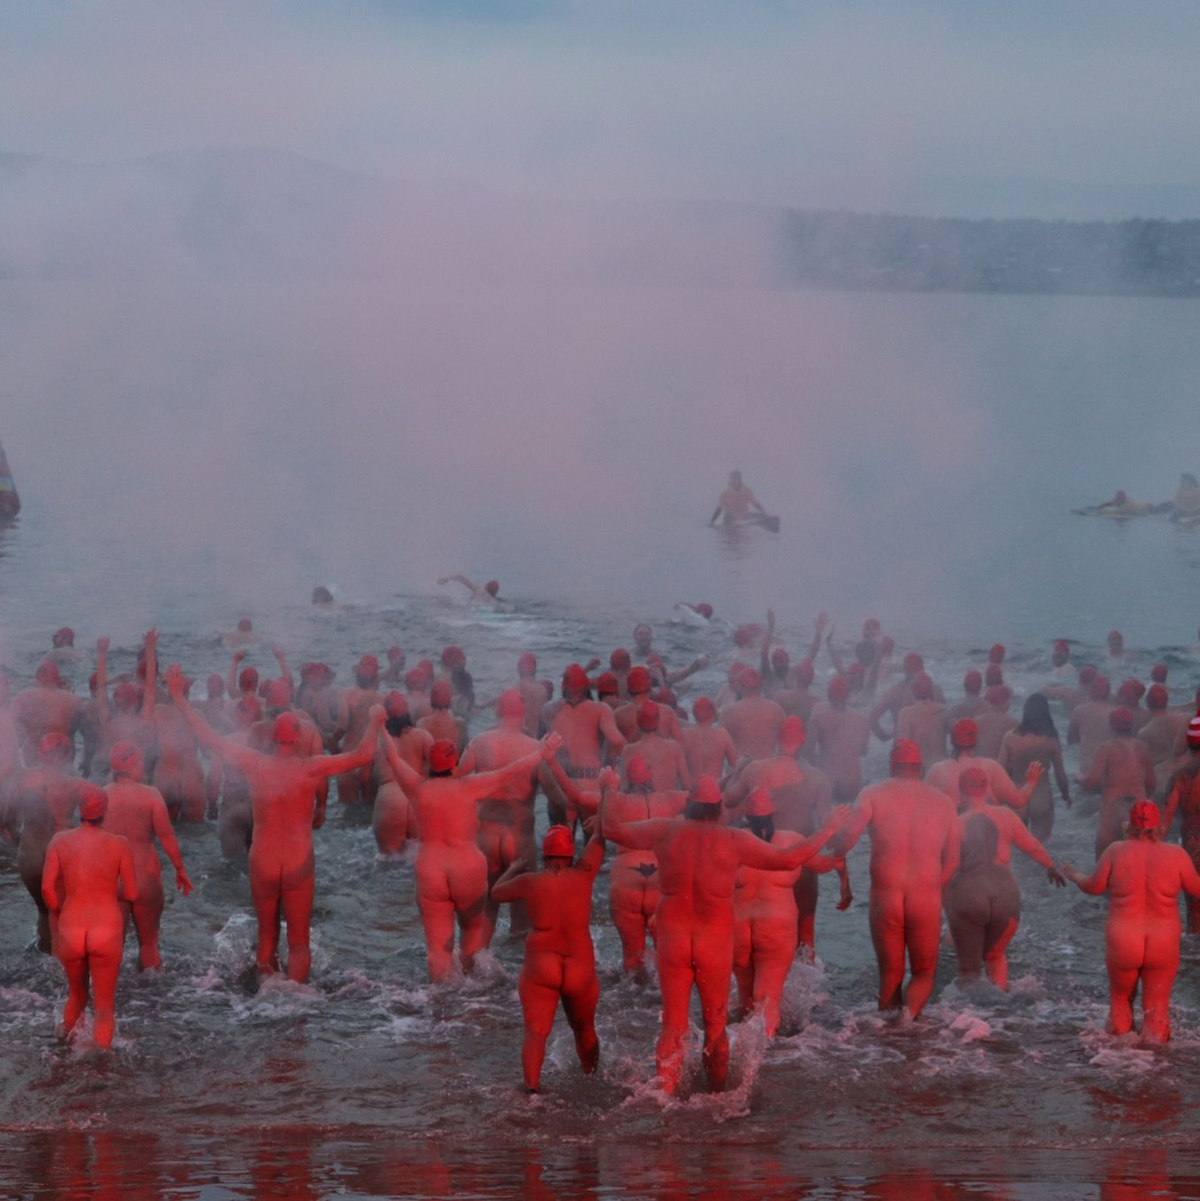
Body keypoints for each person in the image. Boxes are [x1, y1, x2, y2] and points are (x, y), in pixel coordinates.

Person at [602, 774, 846, 1094]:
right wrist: (828, 828)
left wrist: (608, 790)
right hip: (712, 941)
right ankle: (716, 1097)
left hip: (673, 938)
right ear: (719, 809)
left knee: (673, 1025)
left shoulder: (665, 829)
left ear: (688, 806)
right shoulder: (732, 839)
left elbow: (612, 830)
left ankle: (663, 1098)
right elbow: (789, 858)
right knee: (715, 1025)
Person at [167, 664, 385, 984]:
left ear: (273, 737)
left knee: (266, 935)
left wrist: (179, 698)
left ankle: (267, 998)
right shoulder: (312, 768)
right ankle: (295, 999)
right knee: (298, 941)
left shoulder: (255, 764)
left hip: (264, 858)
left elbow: (209, 739)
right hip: (297, 859)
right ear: (297, 737)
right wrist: (376, 719)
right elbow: (363, 755)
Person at [377, 731, 561, 981]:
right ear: (455, 764)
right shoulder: (469, 787)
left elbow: (392, 757)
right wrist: (542, 752)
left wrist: (380, 723)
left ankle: (441, 1003)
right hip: (466, 868)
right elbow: (509, 772)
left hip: (431, 869)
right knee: (472, 936)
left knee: (437, 950)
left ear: (431, 764)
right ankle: (473, 1000)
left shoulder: (417, 788)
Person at [826, 740, 960, 1018]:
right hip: (925, 896)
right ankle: (907, 1024)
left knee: (890, 973)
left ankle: (888, 1041)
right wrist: (933, 887)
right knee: (923, 973)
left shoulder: (873, 793)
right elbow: (953, 860)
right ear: (920, 767)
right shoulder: (944, 803)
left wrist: (833, 852)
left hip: (887, 894)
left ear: (891, 765)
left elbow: (847, 840)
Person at [1062, 800, 1200, 1042]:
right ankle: (1152, 1071)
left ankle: (1120, 1069)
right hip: (1162, 940)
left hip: (1124, 937)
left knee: (1120, 1001)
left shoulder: (1116, 851)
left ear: (1130, 825)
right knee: (1157, 1008)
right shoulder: (1176, 855)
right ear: (1159, 826)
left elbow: (1094, 887)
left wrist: (1074, 875)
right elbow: (1197, 889)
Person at [491, 821, 604, 1093]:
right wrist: (602, 807)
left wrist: (513, 869)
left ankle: (531, 1093)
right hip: (579, 963)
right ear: (570, 855)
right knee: (585, 1029)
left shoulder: (530, 882)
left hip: (542, 963)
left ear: (545, 854)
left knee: (536, 1032)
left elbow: (496, 893)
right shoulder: (584, 874)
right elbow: (601, 836)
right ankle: (592, 1082)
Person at [733, 788, 843, 1036]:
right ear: (774, 813)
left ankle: (739, 1050)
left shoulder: (732, 840)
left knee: (746, 996)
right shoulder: (791, 840)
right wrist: (839, 862)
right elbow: (821, 864)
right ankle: (767, 1059)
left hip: (737, 926)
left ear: (745, 815)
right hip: (775, 926)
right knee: (768, 998)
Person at [943, 765, 1064, 989]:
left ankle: (968, 1014)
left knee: (962, 954)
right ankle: (998, 1007)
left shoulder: (956, 823)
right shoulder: (1005, 815)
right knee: (996, 955)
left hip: (971, 894)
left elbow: (947, 867)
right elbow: (1033, 847)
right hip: (1004, 893)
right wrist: (1050, 866)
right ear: (987, 787)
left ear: (960, 789)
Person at [40, 784, 137, 1049]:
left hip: (72, 927)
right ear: (104, 809)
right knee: (104, 1007)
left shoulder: (60, 841)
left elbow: (47, 888)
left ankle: (64, 1052)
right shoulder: (120, 844)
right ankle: (100, 1066)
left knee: (76, 996)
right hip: (105, 929)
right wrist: (104, 886)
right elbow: (131, 892)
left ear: (79, 809)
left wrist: (61, 913)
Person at [102, 741, 192, 970]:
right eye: (141, 762)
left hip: (114, 879)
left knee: (113, 943)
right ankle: (153, 996)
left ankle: (111, 993)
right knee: (149, 943)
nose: (144, 766)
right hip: (145, 878)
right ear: (133, 765)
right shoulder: (150, 795)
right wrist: (180, 869)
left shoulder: (102, 795)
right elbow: (167, 837)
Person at [599, 759, 687, 974]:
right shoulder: (673, 799)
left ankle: (631, 999)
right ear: (651, 775)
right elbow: (715, 796)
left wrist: (608, 788)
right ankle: (659, 1001)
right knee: (665, 953)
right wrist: (738, 772)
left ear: (627, 779)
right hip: (660, 880)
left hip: (626, 879)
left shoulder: (616, 801)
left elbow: (576, 797)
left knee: (631, 955)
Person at [5, 733, 84, 951]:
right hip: (62, 853)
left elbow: (6, 822)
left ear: (40, 752)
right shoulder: (78, 785)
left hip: (30, 853)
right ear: (67, 756)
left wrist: (19, 840)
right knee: (62, 912)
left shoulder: (22, 780)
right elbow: (94, 824)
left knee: (44, 911)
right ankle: (62, 966)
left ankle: (45, 959)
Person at [543, 664, 625, 818]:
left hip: (562, 786)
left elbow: (540, 745)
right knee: (593, 839)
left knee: (559, 838)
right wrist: (613, 765)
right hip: (591, 785)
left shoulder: (549, 709)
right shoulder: (600, 709)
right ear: (586, 686)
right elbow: (617, 741)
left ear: (563, 686)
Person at [1080, 707, 1156, 859]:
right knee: (1139, 859)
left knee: (1104, 856)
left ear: (1111, 726)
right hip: (1139, 809)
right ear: (1131, 726)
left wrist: (1079, 778)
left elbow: (1091, 782)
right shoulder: (1143, 748)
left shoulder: (1105, 749)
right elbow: (1151, 783)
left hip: (1113, 808)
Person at [925, 718, 1040, 814]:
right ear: (976, 741)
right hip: (985, 835)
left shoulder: (937, 770)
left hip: (953, 836)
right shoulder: (990, 767)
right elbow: (1018, 801)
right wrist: (1031, 781)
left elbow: (923, 807)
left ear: (952, 741)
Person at [998, 695, 1072, 840]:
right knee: (1039, 850)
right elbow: (1060, 773)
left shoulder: (1010, 737)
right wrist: (1066, 794)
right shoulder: (1051, 739)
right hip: (1041, 798)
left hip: (1016, 797)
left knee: (1017, 852)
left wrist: (1000, 798)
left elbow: (1000, 770)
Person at [372, 692, 432, 857]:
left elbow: (364, 777)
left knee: (388, 864)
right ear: (407, 711)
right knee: (419, 861)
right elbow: (440, 773)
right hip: (416, 798)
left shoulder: (375, 740)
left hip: (389, 799)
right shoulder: (423, 736)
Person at [1155, 716, 1200, 933]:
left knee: (1195, 911)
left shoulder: (1179, 777)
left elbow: (1164, 823)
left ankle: (1193, 961)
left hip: (1193, 846)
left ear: (1189, 744)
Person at [806, 675, 871, 803]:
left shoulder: (818, 714)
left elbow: (808, 750)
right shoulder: (861, 719)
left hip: (828, 777)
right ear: (848, 696)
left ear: (829, 695)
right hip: (852, 780)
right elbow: (863, 752)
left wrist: (815, 766)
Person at [617, 701, 689, 792]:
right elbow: (687, 786)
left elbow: (624, 789)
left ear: (638, 722)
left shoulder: (628, 751)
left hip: (642, 804)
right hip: (669, 804)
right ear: (658, 721)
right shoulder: (675, 748)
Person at [719, 669, 785, 760]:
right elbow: (787, 741)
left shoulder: (729, 712)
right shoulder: (776, 709)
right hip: (767, 767)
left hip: (739, 768)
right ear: (760, 686)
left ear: (740, 686)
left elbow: (719, 746)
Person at [894, 673, 949, 772]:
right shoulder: (944, 710)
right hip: (942, 768)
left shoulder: (905, 714)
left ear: (913, 691)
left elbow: (902, 748)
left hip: (918, 769)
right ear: (931, 691)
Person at [1138, 685, 1187, 798]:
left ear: (1148, 703)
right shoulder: (1183, 720)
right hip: (1187, 778)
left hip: (1161, 785)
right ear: (1167, 701)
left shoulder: (1144, 733)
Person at [680, 697, 737, 780]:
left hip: (692, 789)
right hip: (715, 788)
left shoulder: (684, 734)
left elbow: (676, 766)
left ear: (694, 714)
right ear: (713, 715)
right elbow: (734, 765)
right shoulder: (722, 734)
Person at [709, 470, 774, 528]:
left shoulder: (747, 491)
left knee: (754, 514)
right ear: (731, 481)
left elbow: (755, 504)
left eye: (738, 478)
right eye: (735, 479)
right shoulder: (725, 493)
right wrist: (712, 521)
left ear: (740, 479)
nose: (737, 481)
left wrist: (765, 513)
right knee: (728, 517)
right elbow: (719, 508)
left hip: (743, 516)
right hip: (730, 518)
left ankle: (768, 521)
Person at [437, 574, 501, 605]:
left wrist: (446, 579)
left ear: (486, 586)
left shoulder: (478, 589)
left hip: (470, 607)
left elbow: (460, 577)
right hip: (480, 610)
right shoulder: (494, 601)